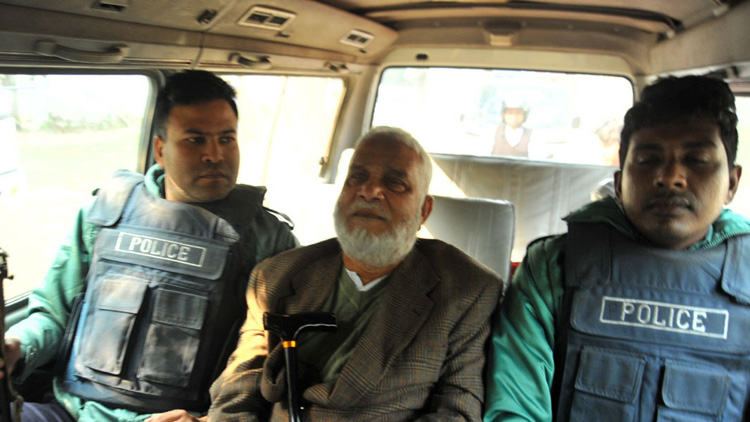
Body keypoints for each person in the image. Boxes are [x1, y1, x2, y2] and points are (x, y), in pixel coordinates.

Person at [1, 70, 298, 422]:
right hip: (71, 410)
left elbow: (272, 356)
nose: (214, 154)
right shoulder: (103, 215)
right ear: (160, 150)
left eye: (226, 139)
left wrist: (214, 420)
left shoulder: (267, 239)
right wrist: (17, 347)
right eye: (195, 140)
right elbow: (53, 314)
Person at [483, 74, 748, 422]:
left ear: (732, 183)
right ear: (619, 184)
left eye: (697, 159)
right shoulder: (554, 266)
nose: (670, 177)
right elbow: (514, 410)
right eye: (648, 160)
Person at [207, 126, 504, 421]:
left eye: (395, 183)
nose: (369, 191)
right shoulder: (275, 277)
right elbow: (237, 394)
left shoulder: (466, 291)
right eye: (357, 177)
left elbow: (457, 411)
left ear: (423, 211)